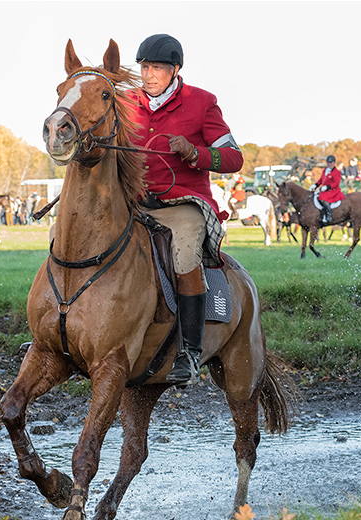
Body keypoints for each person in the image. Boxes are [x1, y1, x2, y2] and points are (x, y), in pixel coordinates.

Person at [127, 33, 244, 385]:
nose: (147, 74)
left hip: (182, 202)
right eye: (144, 67)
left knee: (184, 252)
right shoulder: (125, 101)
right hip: (132, 201)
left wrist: (196, 153)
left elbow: (234, 158)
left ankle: (190, 352)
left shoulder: (202, 103)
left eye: (156, 68)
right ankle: (60, 334)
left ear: (175, 69)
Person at [310, 155, 345, 223]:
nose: (330, 164)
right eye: (328, 163)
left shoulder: (336, 172)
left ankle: (328, 216)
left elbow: (336, 183)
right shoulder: (325, 170)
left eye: (331, 163)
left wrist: (327, 187)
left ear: (334, 163)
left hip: (333, 191)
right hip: (324, 190)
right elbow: (321, 180)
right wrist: (315, 185)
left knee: (323, 199)